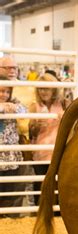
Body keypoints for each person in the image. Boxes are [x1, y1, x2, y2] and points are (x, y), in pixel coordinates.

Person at [28, 73, 66, 206]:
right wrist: (35, 126)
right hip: (41, 152)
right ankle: (40, 211)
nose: (43, 92)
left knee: (58, 184)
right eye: (40, 88)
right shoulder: (35, 106)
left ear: (54, 89)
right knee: (40, 184)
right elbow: (31, 133)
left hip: (58, 151)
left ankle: (58, 213)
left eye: (47, 88)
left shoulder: (63, 103)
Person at [0, 75, 27, 217]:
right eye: (1, 91)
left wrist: (14, 107)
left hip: (10, 159)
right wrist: (2, 107)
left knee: (9, 193)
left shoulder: (13, 103)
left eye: (7, 91)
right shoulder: (5, 105)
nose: (3, 94)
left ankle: (7, 221)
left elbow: (24, 110)